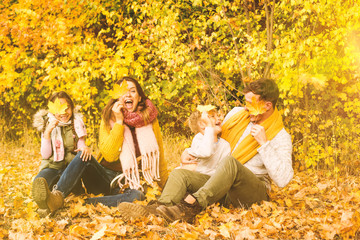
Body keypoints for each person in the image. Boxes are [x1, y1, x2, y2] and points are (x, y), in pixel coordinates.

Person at [117, 78, 293, 223]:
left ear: (268, 105)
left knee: (231, 163)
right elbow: (212, 138)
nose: (245, 107)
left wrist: (264, 144)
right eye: (245, 102)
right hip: (222, 184)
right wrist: (189, 151)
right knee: (180, 175)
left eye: (250, 104)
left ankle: (188, 208)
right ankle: (155, 210)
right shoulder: (237, 114)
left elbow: (284, 179)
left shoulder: (279, 135)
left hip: (252, 192)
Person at [36, 77, 168, 213]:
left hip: (131, 181)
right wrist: (119, 122)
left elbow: (160, 159)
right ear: (117, 98)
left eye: (133, 91)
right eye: (123, 91)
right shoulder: (108, 117)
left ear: (139, 97)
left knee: (137, 196)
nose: (128, 94)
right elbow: (110, 155)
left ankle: (83, 203)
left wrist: (165, 190)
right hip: (104, 177)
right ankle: (57, 196)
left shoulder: (150, 119)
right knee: (83, 155)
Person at [32, 91, 92, 212]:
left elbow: (80, 145)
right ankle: (48, 198)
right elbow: (46, 154)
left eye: (67, 108)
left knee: (76, 192)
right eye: (59, 108)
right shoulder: (47, 124)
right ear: (52, 110)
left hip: (69, 169)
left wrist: (84, 147)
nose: (64, 112)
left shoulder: (76, 123)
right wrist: (47, 133)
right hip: (51, 166)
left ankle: (55, 197)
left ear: (71, 108)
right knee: (39, 182)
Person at [176, 108, 231, 176]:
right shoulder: (198, 139)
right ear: (202, 124)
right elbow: (206, 152)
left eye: (218, 115)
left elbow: (222, 173)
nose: (218, 118)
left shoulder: (225, 145)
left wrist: (196, 168)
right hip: (193, 178)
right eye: (212, 116)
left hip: (212, 181)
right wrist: (209, 125)